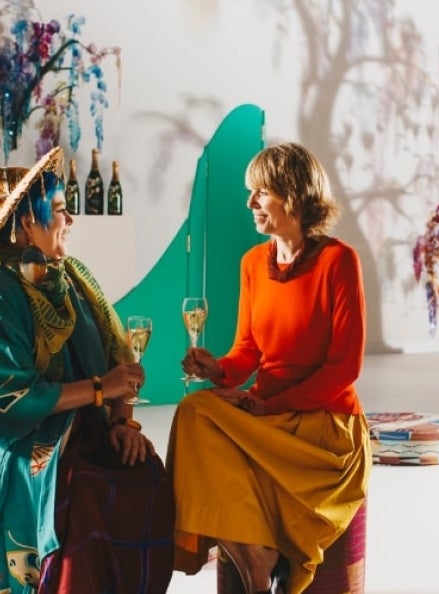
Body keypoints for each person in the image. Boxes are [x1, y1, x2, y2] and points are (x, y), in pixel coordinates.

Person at [0, 147, 174, 593]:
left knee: (142, 471)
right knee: (80, 493)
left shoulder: (69, 276)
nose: (70, 219)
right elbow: (4, 401)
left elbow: (117, 358)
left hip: (65, 424)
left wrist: (123, 424)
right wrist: (100, 390)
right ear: (25, 222)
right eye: (59, 209)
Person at [167, 142, 371, 594]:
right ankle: (256, 561)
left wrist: (268, 405)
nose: (250, 203)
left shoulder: (339, 261)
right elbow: (247, 351)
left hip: (323, 424)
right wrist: (217, 369)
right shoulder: (252, 264)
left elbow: (344, 369)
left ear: (293, 194)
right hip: (268, 414)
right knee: (193, 412)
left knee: (204, 421)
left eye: (260, 192)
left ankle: (261, 558)